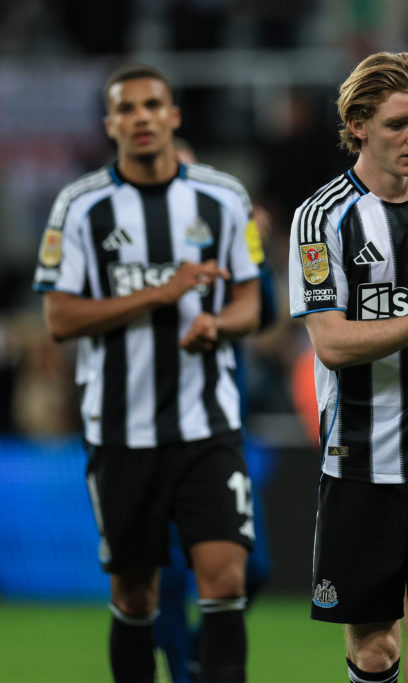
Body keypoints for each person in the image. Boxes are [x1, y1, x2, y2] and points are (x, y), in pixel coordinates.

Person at [33, 64, 260, 682]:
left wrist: (220, 325)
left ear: (173, 115)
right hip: (120, 433)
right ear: (110, 124)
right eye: (126, 109)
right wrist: (159, 294)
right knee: (136, 594)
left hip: (206, 426)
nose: (140, 117)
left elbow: (251, 301)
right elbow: (58, 316)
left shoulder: (222, 196)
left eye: (151, 105)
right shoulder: (80, 207)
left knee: (226, 578)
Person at [287, 51, 408, 683]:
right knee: (376, 651)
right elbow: (333, 345)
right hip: (358, 465)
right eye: (400, 123)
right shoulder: (321, 219)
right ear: (358, 126)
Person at [153, 137, 277, 683]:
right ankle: (184, 672)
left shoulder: (222, 240)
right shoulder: (135, 251)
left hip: (220, 430)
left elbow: (265, 313)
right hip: (146, 436)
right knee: (168, 579)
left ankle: (200, 659)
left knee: (253, 568)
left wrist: (253, 252)